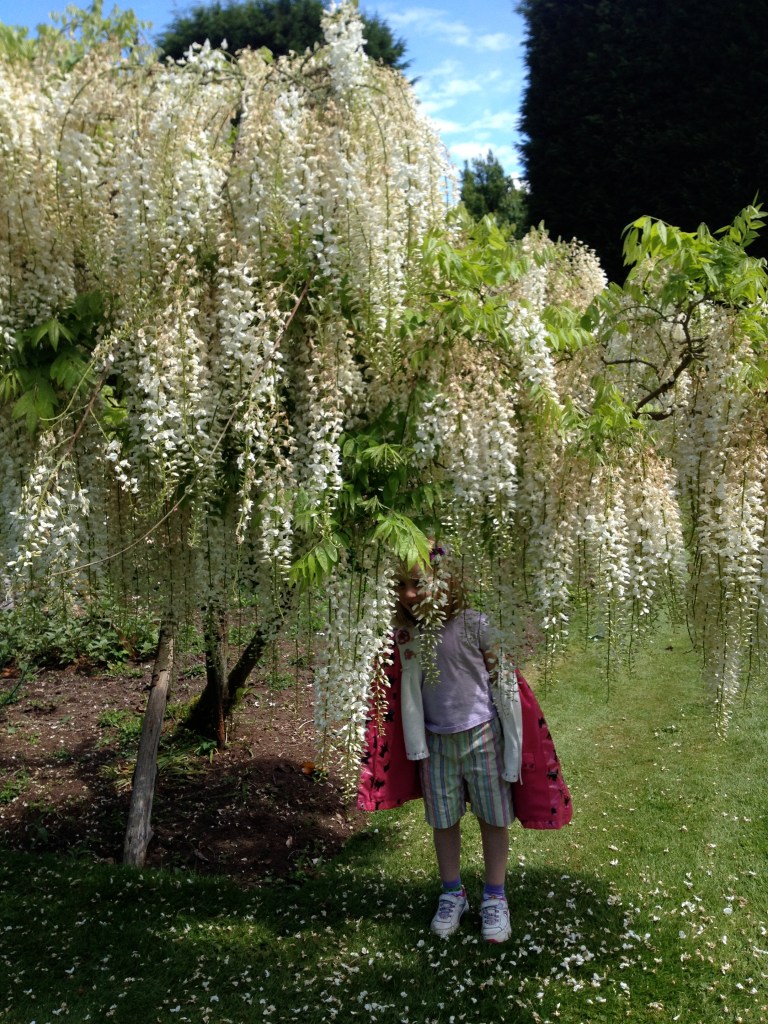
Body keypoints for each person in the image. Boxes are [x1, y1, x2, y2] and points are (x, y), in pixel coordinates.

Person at [394, 550, 523, 943]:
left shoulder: (474, 624)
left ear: (446, 581)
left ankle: (494, 897)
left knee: (493, 818)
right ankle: (453, 893)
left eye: (419, 583)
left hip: (482, 735)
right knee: (443, 821)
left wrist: (514, 747)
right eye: (401, 585)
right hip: (436, 742)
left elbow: (505, 684)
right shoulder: (407, 633)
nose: (409, 594)